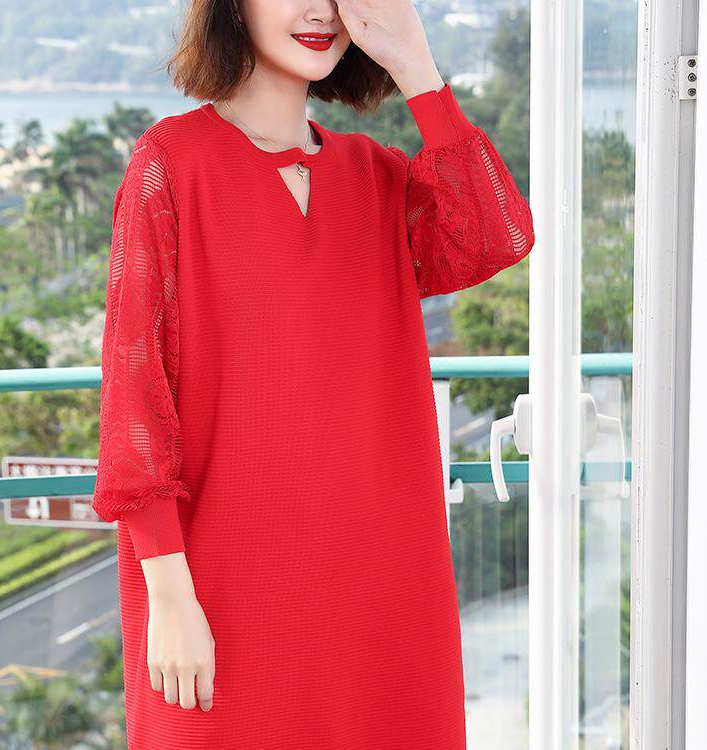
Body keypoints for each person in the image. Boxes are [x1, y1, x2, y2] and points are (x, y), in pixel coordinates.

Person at [91, 0, 535, 748]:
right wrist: (167, 594)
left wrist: (416, 66)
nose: (317, 11)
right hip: (216, 586)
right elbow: (135, 396)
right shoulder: (170, 166)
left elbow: (497, 235)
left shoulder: (376, 176)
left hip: (385, 583)